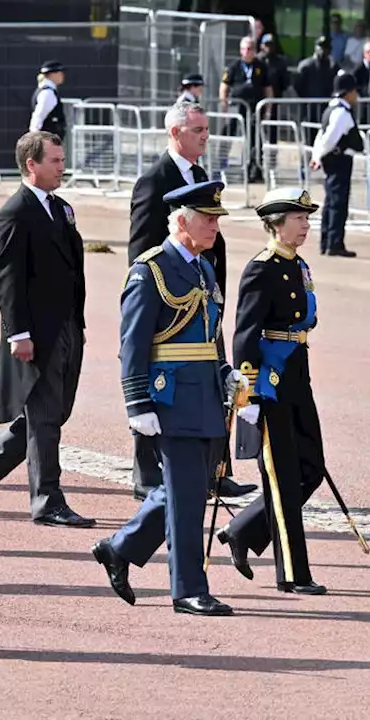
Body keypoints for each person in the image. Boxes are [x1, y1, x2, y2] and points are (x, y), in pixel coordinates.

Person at [92, 180, 249, 617]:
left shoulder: (203, 268)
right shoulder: (151, 270)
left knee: (186, 489)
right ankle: (187, 588)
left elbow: (209, 337)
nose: (215, 226)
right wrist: (137, 404)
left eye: (217, 218)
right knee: (186, 499)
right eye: (208, 218)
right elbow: (134, 343)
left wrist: (225, 375)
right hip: (170, 398)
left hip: (204, 396)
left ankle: (118, 548)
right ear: (182, 221)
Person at [0, 131, 93, 528]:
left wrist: (77, 321)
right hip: (36, 331)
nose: (61, 167)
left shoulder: (60, 208)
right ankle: (47, 500)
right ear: (31, 164)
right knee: (47, 417)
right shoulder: (14, 213)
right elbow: (8, 280)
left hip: (65, 324)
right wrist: (19, 334)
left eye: (62, 160)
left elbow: (72, 271)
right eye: (54, 160)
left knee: (54, 412)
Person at [120, 101, 251, 501]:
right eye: (198, 131)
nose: (205, 137)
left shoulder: (198, 176)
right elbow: (142, 249)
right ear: (176, 133)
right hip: (170, 303)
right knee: (159, 383)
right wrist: (158, 296)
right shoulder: (154, 180)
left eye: (206, 130)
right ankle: (146, 474)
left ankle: (216, 469)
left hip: (203, 298)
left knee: (210, 382)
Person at [216, 187, 328, 594]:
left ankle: (243, 529)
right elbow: (245, 332)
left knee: (311, 467)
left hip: (298, 375)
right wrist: (246, 392)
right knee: (281, 476)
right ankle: (294, 574)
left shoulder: (299, 266)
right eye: (299, 218)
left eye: (307, 218)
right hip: (270, 383)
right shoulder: (261, 268)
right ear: (277, 224)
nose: (306, 225)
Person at [310, 73, 362, 258]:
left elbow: (320, 136)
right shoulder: (341, 112)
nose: (356, 95)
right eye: (354, 91)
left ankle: (327, 242)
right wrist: (319, 155)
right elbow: (329, 138)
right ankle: (334, 243)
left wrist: (317, 156)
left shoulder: (331, 109)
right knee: (338, 203)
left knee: (331, 202)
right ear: (347, 92)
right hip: (339, 161)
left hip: (332, 160)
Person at [219, 36, 272, 184]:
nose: (247, 51)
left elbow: (267, 89)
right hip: (237, 107)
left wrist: (268, 110)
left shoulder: (261, 66)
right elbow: (224, 86)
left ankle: (254, 170)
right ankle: (220, 166)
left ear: (255, 51)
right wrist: (224, 107)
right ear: (241, 50)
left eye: (250, 49)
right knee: (228, 135)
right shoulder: (233, 66)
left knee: (254, 140)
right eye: (245, 49)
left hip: (255, 108)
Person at [29, 61, 67, 140]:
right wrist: (35, 137)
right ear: (53, 74)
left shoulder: (47, 90)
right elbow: (39, 115)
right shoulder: (47, 93)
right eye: (60, 73)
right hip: (47, 139)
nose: (62, 75)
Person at [258, 34, 290, 101]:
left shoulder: (280, 62)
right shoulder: (256, 60)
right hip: (258, 97)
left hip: (275, 97)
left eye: (271, 45)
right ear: (261, 46)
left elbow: (285, 82)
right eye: (267, 44)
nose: (269, 47)